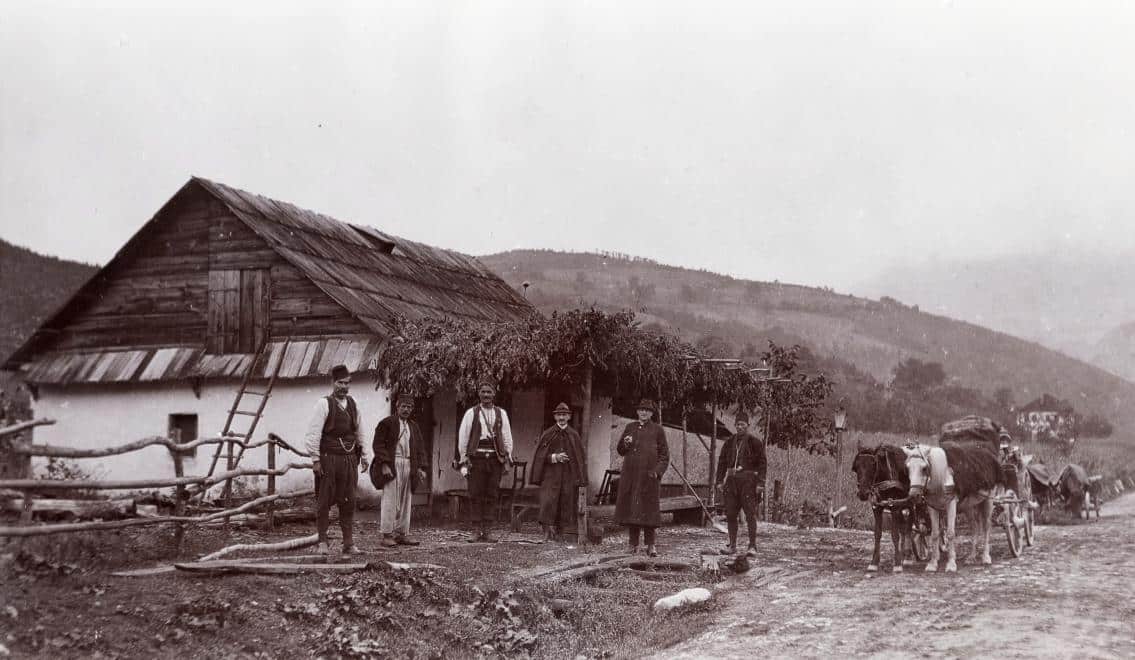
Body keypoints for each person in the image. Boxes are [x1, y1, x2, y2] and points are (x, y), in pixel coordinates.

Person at [304, 364, 371, 556]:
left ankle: (348, 543)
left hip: (349, 460)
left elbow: (360, 430)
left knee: (348, 501)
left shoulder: (353, 403)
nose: (344, 387)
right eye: (340, 383)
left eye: (347, 383)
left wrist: (364, 456)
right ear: (333, 383)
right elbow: (313, 434)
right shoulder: (324, 404)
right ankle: (322, 542)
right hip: (329, 459)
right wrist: (316, 460)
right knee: (324, 500)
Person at [457, 381, 514, 542]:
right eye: (483, 392)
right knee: (476, 493)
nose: (486, 395)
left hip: (495, 459)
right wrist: (464, 458)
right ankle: (476, 529)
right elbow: (463, 436)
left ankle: (488, 530)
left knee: (491, 494)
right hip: (477, 459)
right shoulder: (471, 413)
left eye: (489, 392)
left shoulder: (501, 413)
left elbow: (506, 435)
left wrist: (507, 457)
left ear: (494, 393)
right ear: (479, 393)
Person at [373, 393, 429, 547]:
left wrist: (421, 468)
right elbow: (378, 445)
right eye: (403, 406)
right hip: (392, 464)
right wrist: (384, 464)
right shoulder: (387, 423)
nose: (406, 409)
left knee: (406, 500)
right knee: (390, 499)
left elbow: (420, 448)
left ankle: (402, 533)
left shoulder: (413, 426)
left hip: (409, 464)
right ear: (397, 407)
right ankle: (387, 534)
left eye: (409, 407)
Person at [615, 399, 669, 557]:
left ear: (652, 413)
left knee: (649, 511)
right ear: (637, 412)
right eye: (641, 410)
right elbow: (620, 450)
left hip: (649, 477)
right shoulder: (629, 427)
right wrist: (625, 444)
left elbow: (665, 455)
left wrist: (657, 472)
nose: (644, 412)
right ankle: (633, 545)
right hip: (631, 476)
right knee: (633, 509)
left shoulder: (658, 430)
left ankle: (651, 545)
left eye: (647, 410)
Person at [530, 402, 586, 541]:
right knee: (548, 501)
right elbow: (540, 457)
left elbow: (579, 457)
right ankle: (547, 533)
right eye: (559, 415)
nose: (562, 417)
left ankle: (561, 533)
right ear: (555, 417)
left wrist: (579, 476)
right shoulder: (548, 434)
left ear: (569, 417)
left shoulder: (574, 435)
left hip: (567, 475)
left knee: (565, 502)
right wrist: (554, 457)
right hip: (550, 475)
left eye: (564, 415)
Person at [715, 412, 766, 557]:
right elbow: (722, 462)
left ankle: (752, 546)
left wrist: (760, 483)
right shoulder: (729, 442)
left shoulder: (755, 443)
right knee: (731, 514)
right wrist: (719, 480)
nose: (740, 427)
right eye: (737, 424)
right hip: (731, 482)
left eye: (743, 424)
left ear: (748, 425)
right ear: (735, 425)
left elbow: (763, 464)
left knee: (750, 514)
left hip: (748, 482)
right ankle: (732, 545)